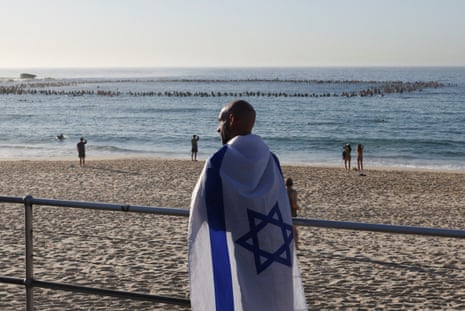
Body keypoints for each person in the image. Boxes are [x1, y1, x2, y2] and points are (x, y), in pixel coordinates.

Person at [188, 100, 307, 310]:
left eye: (220, 121)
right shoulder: (271, 159)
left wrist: (242, 223)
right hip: (276, 251)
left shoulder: (218, 162)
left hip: (245, 249)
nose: (217, 128)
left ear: (231, 120)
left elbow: (209, 215)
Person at [286, 177, 300, 248]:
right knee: (294, 231)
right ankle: (295, 245)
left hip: (285, 212)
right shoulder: (293, 192)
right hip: (292, 213)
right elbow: (294, 204)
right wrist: (298, 208)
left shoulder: (283, 191)